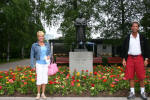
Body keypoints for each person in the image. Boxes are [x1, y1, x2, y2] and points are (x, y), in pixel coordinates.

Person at [121, 21, 149, 100]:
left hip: (140, 58)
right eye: (133, 26)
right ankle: (132, 93)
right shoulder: (127, 38)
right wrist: (124, 59)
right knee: (131, 76)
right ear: (131, 27)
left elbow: (147, 48)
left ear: (138, 28)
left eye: (136, 26)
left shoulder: (142, 37)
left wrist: (146, 59)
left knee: (141, 76)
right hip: (130, 58)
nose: (135, 27)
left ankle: (143, 92)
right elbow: (123, 49)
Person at [30, 31, 51, 100]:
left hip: (46, 64)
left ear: (43, 37)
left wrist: (49, 56)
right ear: (38, 37)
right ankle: (38, 94)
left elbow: (49, 52)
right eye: (40, 36)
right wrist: (32, 65)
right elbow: (32, 55)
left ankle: (43, 94)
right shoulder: (34, 45)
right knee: (39, 79)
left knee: (45, 79)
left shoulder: (47, 44)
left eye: (42, 36)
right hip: (38, 64)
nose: (41, 37)